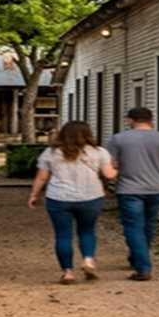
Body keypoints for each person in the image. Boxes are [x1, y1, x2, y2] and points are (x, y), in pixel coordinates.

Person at [27, 121, 116, 284]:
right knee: (87, 231)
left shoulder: (51, 152)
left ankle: (67, 272)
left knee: (63, 235)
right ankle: (88, 260)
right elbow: (109, 175)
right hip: (91, 197)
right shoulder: (99, 152)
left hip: (59, 198)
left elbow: (42, 177)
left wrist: (34, 194)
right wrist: (119, 168)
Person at [105, 107, 159, 281]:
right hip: (158, 188)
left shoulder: (118, 139)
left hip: (129, 189)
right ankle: (137, 258)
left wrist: (106, 182)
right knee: (148, 226)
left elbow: (110, 165)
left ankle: (143, 267)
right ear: (151, 119)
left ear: (131, 120)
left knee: (133, 227)